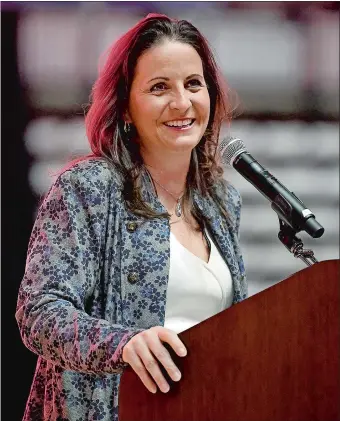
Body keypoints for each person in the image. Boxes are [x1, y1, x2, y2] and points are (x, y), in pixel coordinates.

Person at [16, 13, 247, 421]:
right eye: (160, 87)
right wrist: (122, 344)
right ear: (125, 108)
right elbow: (39, 310)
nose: (182, 102)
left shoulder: (220, 202)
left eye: (193, 84)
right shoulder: (88, 188)